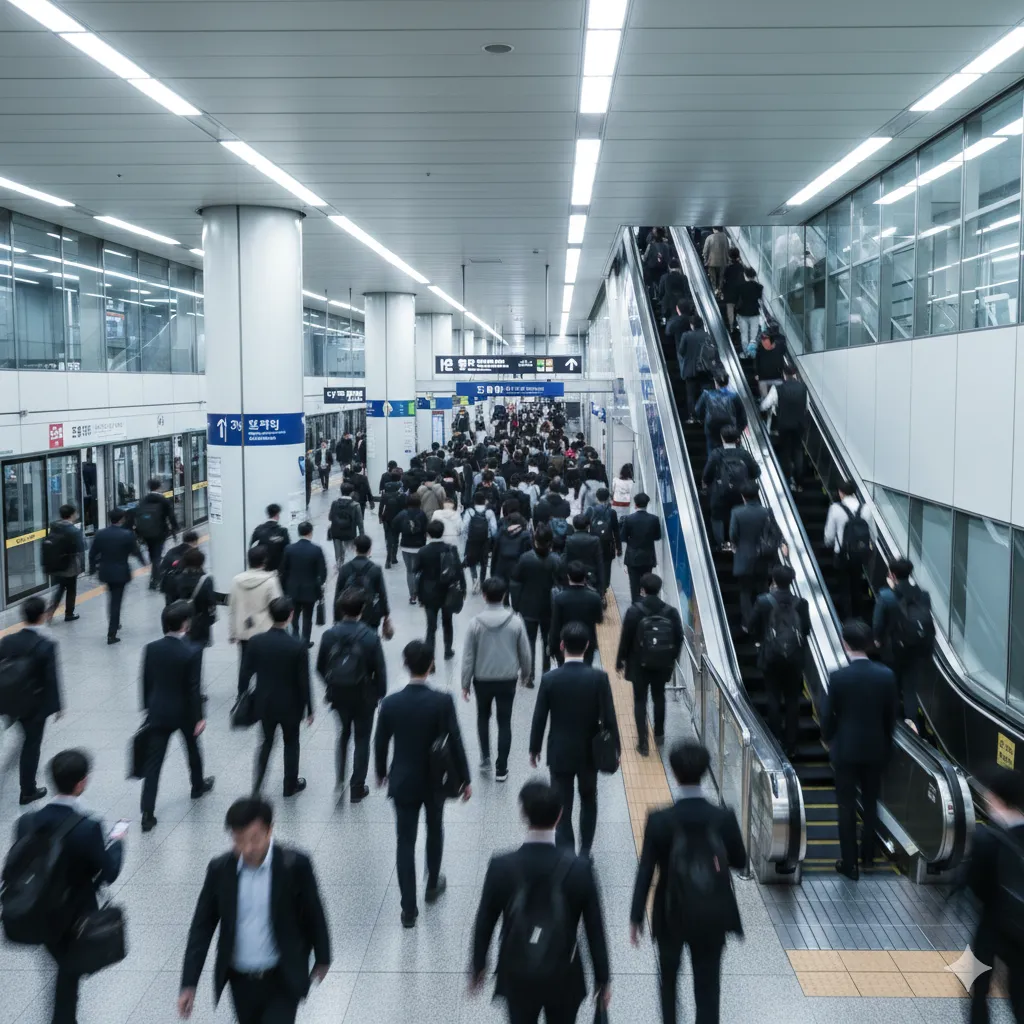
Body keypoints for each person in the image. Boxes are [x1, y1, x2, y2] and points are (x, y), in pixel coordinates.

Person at [178, 797, 331, 1024]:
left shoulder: (295, 865)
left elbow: (314, 913)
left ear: (270, 831)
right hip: (240, 981)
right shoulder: (220, 870)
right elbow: (201, 927)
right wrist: (189, 983)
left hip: (282, 978)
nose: (247, 849)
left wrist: (323, 955)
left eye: (254, 839)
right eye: (239, 840)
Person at [469, 781, 611, 1024]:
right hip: (564, 972)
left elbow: (485, 920)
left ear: (523, 813)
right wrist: (602, 978)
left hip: (517, 971)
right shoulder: (580, 869)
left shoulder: (501, 866)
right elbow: (594, 928)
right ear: (560, 815)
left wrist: (478, 965)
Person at [629, 740, 746, 1024]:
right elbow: (740, 861)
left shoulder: (659, 820)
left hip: (670, 911)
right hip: (712, 911)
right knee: (708, 986)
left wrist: (636, 918)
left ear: (673, 771)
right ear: (706, 772)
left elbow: (646, 869)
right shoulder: (723, 816)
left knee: (668, 980)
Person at [13, 749, 123, 1024]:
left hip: (37, 910)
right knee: (68, 977)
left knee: (64, 971)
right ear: (81, 783)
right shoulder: (88, 828)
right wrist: (118, 842)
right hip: (75, 917)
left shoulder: (27, 822)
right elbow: (109, 872)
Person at [374, 640, 471, 927]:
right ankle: (432, 882)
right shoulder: (442, 701)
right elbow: (455, 740)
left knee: (404, 841)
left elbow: (379, 742)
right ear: (431, 665)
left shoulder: (390, 703)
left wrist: (381, 772)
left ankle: (408, 909)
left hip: (403, 780)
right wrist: (464, 778)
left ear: (405, 664)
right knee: (434, 827)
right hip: (435, 779)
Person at [530, 622, 619, 855]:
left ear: (561, 645)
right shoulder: (599, 678)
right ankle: (586, 850)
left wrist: (534, 748)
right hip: (590, 752)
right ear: (588, 645)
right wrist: (616, 750)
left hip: (559, 752)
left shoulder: (550, 679)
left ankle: (566, 852)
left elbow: (540, 717)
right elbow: (609, 716)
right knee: (589, 800)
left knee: (562, 805)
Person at [823, 620, 898, 879]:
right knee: (870, 802)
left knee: (845, 806)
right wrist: (886, 744)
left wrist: (829, 738)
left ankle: (850, 864)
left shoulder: (838, 677)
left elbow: (828, 717)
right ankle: (869, 857)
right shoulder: (886, 676)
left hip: (846, 750)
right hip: (876, 749)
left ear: (845, 644)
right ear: (868, 644)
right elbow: (891, 718)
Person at [139, 601, 214, 832]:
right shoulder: (192, 650)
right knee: (192, 749)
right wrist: (199, 717)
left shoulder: (151, 648)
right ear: (185, 623)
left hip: (159, 711)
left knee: (154, 764)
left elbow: (147, 680)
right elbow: (193, 688)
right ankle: (197, 785)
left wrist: (147, 707)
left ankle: (147, 812)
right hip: (184, 713)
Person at [960, 764, 1024, 1023]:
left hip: (990, 928)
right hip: (1022, 931)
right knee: (1020, 992)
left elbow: (976, 885)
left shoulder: (988, 838)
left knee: (978, 988)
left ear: (996, 798)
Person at [318, 587, 388, 801]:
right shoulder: (370, 637)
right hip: (364, 696)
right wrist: (379, 694)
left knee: (343, 735)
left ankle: (339, 779)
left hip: (339, 693)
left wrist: (331, 683)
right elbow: (380, 670)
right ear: (363, 609)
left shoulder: (329, 635)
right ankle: (357, 786)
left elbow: (320, 666)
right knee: (363, 738)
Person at [461, 577, 532, 782]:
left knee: (483, 717)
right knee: (504, 721)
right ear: (504, 595)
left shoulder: (475, 624)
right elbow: (525, 653)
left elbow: (468, 657)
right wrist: (525, 675)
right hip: (507, 679)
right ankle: (502, 768)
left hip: (482, 679)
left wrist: (465, 683)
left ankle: (485, 758)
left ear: (483, 595)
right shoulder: (516, 621)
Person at [241, 596, 313, 798]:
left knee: (266, 742)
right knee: (292, 742)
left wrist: (242, 696)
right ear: (291, 615)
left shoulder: (256, 642)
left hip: (265, 702)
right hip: (291, 704)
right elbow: (304, 681)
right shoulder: (298, 646)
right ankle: (290, 785)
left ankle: (258, 785)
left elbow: (245, 672)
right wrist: (310, 708)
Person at [0, 595, 63, 804]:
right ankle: (28, 790)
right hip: (35, 706)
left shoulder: (7, 640)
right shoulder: (46, 645)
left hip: (9, 701)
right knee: (31, 744)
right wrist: (57, 706)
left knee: (23, 735)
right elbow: (51, 679)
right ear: (43, 616)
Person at [744, 566, 810, 756]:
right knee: (792, 700)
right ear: (792, 580)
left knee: (773, 696)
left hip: (771, 656)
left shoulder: (763, 601)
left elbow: (750, 626)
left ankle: (775, 740)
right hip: (794, 659)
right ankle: (792, 744)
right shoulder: (801, 603)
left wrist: (760, 638)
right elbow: (805, 630)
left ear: (773, 579)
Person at [616, 573, 683, 755]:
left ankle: (643, 742)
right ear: (659, 589)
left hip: (639, 664)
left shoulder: (634, 611)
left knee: (640, 699)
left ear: (642, 590)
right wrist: (672, 659)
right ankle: (659, 734)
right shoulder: (671, 612)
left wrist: (620, 660)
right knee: (659, 696)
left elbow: (626, 638)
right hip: (662, 664)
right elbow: (679, 638)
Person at [872, 557, 934, 730]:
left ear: (892, 574)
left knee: (892, 682)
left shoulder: (885, 596)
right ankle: (912, 722)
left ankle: (893, 721)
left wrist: (877, 640)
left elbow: (877, 624)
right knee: (910, 687)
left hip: (893, 649)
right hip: (916, 648)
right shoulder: (923, 595)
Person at [229, 545, 284, 695]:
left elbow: (232, 608)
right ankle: (264, 696)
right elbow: (277, 606)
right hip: (264, 630)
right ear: (265, 561)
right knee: (266, 665)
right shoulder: (271, 581)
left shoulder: (236, 580)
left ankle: (242, 696)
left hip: (244, 630)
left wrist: (232, 632)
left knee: (245, 665)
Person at [511, 524, 561, 685]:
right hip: (549, 608)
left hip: (528, 606)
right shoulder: (556, 560)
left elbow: (516, 582)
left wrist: (516, 604)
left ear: (535, 540)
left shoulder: (526, 558)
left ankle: (528, 675)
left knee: (529, 642)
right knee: (547, 641)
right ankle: (546, 672)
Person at [88, 506, 143, 644]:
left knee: (111, 599)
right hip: (121, 572)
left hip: (105, 572)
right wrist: (144, 562)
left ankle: (115, 622)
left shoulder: (100, 534)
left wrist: (92, 569)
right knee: (116, 602)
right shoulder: (127, 534)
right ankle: (112, 633)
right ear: (122, 519)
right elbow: (135, 551)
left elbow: (92, 553)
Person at [702, 425, 759, 550]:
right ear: (737, 439)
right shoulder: (743, 454)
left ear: (722, 438)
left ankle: (722, 543)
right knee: (737, 514)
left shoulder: (716, 454)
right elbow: (756, 472)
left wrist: (706, 484)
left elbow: (707, 474)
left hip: (720, 492)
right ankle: (738, 542)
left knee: (717, 516)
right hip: (741, 492)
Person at [824, 479, 874, 619]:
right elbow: (873, 537)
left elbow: (828, 537)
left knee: (844, 587)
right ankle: (860, 617)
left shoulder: (835, 508)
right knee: (857, 585)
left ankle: (847, 618)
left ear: (841, 492)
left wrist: (830, 545)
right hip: (859, 554)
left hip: (842, 555)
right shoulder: (866, 509)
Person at [416, 519, 465, 661]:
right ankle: (448, 650)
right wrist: (463, 588)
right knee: (447, 622)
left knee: (431, 627)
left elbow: (416, 571)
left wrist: (417, 594)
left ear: (428, 534)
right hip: (448, 590)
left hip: (428, 592)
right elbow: (458, 570)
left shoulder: (423, 551)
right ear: (442, 531)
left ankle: (430, 658)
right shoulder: (451, 549)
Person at [729, 483, 775, 622]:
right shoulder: (766, 512)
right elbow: (772, 533)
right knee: (762, 589)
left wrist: (736, 545)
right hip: (762, 557)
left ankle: (749, 622)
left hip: (743, 557)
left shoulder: (737, 512)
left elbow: (733, 534)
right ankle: (766, 622)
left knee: (745, 592)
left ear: (743, 496)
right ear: (757, 495)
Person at [278, 521, 327, 647]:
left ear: (299, 532)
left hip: (292, 588)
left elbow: (283, 570)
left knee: (294, 615)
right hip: (310, 589)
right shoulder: (316, 550)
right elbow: (323, 572)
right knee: (307, 617)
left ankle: (295, 635)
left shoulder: (289, 549)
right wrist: (320, 584)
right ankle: (305, 640)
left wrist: (284, 587)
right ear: (310, 533)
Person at [760, 365, 808, 490]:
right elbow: (806, 407)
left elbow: (766, 404)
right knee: (798, 451)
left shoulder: (778, 388)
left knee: (785, 452)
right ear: (795, 374)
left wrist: (761, 407)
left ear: (784, 374)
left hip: (784, 425)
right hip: (799, 425)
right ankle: (800, 483)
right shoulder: (803, 388)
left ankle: (788, 481)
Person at [549, 562, 604, 667]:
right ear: (585, 577)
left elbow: (555, 626)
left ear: (568, 576)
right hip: (587, 642)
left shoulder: (560, 599)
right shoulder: (595, 597)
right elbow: (599, 619)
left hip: (565, 642)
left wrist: (553, 648)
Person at [334, 533, 391, 635]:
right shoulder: (375, 569)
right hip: (370, 613)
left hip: (349, 611)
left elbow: (338, 593)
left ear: (354, 548)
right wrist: (386, 614)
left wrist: (336, 618)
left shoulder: (345, 569)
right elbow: (382, 594)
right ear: (369, 550)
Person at [168, 546, 217, 648]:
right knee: (197, 652)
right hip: (200, 622)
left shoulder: (176, 578)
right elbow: (211, 602)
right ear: (201, 562)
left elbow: (170, 601)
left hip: (179, 621)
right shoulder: (206, 580)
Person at [135, 478, 179, 590]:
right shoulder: (163, 500)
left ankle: (155, 574)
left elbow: (137, 515)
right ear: (159, 487)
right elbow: (171, 516)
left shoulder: (144, 500)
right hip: (160, 532)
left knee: (152, 554)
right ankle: (155, 580)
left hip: (146, 533)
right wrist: (175, 529)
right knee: (157, 556)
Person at [44, 503, 84, 623]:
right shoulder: (74, 530)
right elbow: (81, 547)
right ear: (72, 514)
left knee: (60, 588)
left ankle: (51, 610)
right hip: (70, 566)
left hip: (56, 563)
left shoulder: (55, 526)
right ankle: (69, 614)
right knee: (71, 590)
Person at [621, 492, 662, 603]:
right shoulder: (654, 519)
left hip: (632, 557)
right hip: (648, 557)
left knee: (634, 585)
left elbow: (623, 537)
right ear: (647, 504)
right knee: (648, 583)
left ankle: (636, 606)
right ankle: (647, 604)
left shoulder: (629, 519)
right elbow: (657, 536)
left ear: (635, 504)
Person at [695, 372, 746, 454]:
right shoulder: (734, 396)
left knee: (713, 453)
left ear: (715, 382)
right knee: (731, 453)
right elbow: (742, 417)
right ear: (728, 382)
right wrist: (738, 431)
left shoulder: (706, 395)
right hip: (729, 431)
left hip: (712, 429)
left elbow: (698, 410)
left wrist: (704, 421)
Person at [674, 313, 713, 423]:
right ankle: (704, 416)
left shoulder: (686, 336)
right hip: (705, 370)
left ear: (692, 325)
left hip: (690, 370)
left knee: (691, 394)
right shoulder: (707, 336)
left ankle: (693, 417)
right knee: (704, 392)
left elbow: (681, 351)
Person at [392, 493, 429, 604]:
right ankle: (420, 591)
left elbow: (394, 525)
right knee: (419, 571)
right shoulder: (422, 514)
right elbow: (426, 529)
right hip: (419, 546)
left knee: (409, 571)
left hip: (406, 546)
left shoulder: (403, 514)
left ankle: (412, 596)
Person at [563, 514, 606, 596]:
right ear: (588, 526)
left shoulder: (569, 540)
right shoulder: (595, 540)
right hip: (591, 577)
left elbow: (565, 561)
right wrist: (602, 588)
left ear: (574, 526)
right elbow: (600, 564)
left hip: (573, 577)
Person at [158, 529, 200, 606]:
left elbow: (161, 568)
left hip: (168, 586)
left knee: (171, 608)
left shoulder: (171, 551)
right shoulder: (193, 554)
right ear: (194, 542)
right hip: (182, 589)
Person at [328, 482, 363, 567]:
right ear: (351, 493)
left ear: (341, 491)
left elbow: (330, 517)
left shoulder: (334, 503)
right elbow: (360, 523)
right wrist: (362, 536)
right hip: (349, 532)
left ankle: (340, 568)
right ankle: (349, 570)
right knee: (350, 553)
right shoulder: (355, 505)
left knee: (338, 555)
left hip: (336, 532)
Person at [249, 504, 290, 573]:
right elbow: (287, 551)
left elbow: (252, 549)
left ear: (268, 514)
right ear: (278, 515)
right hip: (277, 571)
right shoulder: (282, 531)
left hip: (260, 571)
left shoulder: (258, 530)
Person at [378, 468, 406, 568]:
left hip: (387, 517)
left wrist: (380, 517)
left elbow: (381, 507)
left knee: (388, 537)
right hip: (398, 517)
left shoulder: (385, 495)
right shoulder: (401, 495)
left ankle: (388, 556)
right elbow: (404, 507)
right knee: (396, 537)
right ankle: (394, 557)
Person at [753, 325, 787, 399]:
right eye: (763, 341)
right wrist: (756, 373)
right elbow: (756, 361)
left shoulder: (779, 346)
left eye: (766, 340)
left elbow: (783, 352)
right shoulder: (760, 348)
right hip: (763, 378)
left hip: (777, 377)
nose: (764, 343)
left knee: (779, 398)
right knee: (765, 398)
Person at [721, 246, 745, 328]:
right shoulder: (741, 267)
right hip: (739, 291)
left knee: (730, 309)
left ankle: (731, 327)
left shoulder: (728, 268)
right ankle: (738, 326)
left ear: (729, 256)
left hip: (729, 291)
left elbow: (724, 278)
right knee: (737, 309)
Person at [703, 225, 729, 291]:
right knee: (721, 277)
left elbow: (705, 251)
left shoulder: (709, 237)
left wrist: (705, 260)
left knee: (713, 278)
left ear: (714, 229)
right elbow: (727, 248)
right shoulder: (725, 237)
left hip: (711, 262)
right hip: (723, 262)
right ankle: (720, 290)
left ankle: (714, 290)